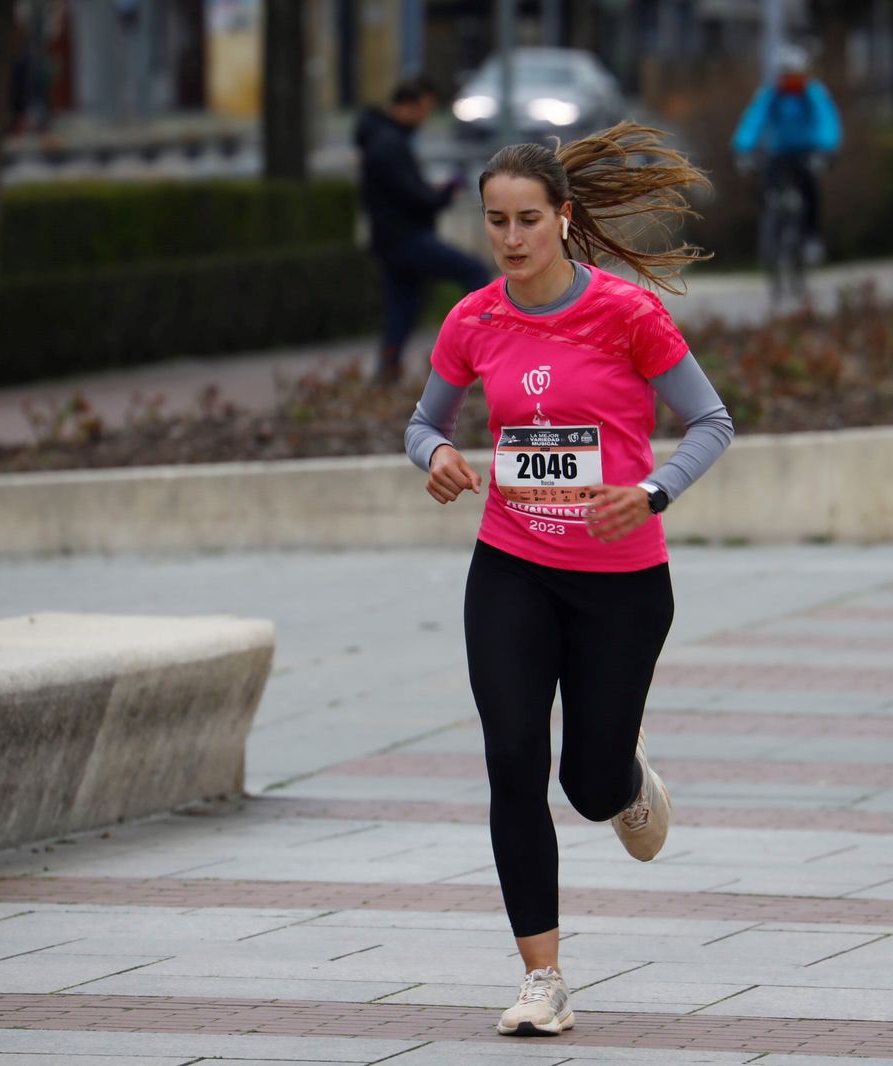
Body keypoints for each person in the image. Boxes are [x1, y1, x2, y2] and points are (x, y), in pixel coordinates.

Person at [403, 122, 735, 1036]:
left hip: (621, 584)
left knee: (586, 785)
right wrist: (435, 455)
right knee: (513, 759)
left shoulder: (626, 314)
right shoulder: (473, 319)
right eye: (495, 221)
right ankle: (542, 978)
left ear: (564, 217)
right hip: (511, 565)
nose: (510, 239)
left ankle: (627, 783)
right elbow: (422, 424)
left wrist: (652, 491)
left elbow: (711, 421)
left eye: (527, 220)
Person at [355, 76, 492, 385]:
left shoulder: (380, 138)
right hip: (406, 238)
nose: (425, 119)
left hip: (391, 239)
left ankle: (388, 369)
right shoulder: (389, 144)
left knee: (402, 305)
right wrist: (444, 193)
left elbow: (401, 190)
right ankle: (475, 352)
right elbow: (414, 195)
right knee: (474, 272)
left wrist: (431, 193)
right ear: (407, 106)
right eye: (424, 111)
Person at [731, 44, 842, 264]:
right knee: (765, 183)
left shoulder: (813, 94)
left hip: (807, 150)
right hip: (779, 151)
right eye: (786, 77)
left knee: (809, 187)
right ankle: (770, 230)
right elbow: (754, 119)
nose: (790, 82)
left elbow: (826, 120)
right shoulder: (771, 94)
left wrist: (827, 147)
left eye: (795, 77)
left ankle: (811, 237)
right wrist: (742, 147)